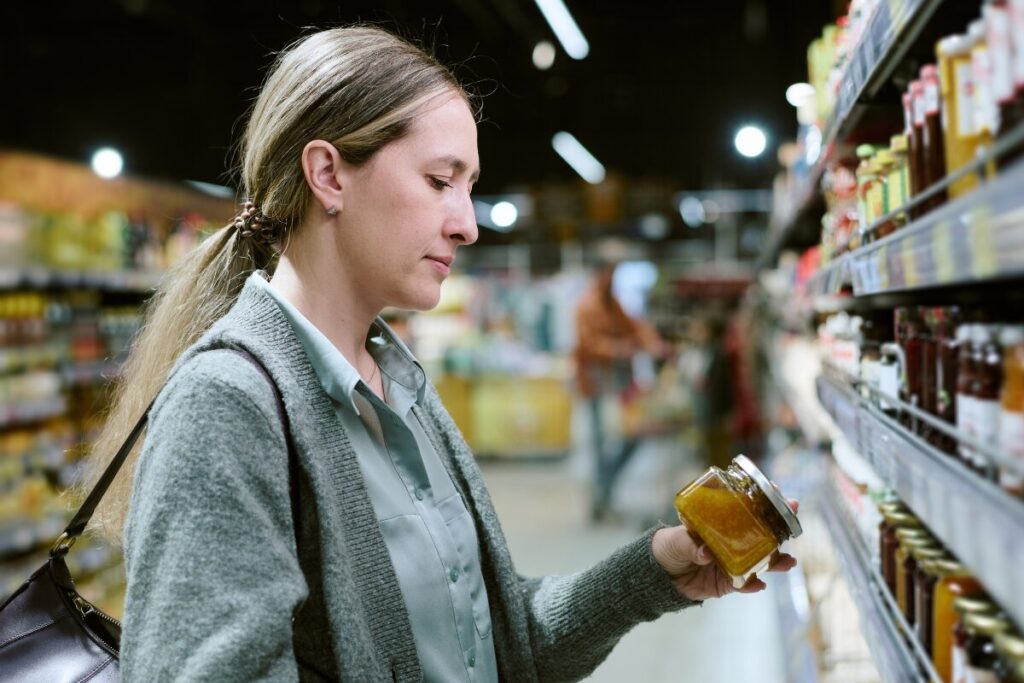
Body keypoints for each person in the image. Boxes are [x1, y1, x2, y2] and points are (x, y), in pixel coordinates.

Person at [84, 26, 797, 682]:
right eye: (438, 181)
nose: (466, 224)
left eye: (470, 187)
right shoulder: (227, 407)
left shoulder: (401, 387)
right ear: (329, 175)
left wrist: (656, 570)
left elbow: (497, 644)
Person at [574, 261, 668, 521]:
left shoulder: (609, 301)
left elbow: (633, 325)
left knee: (623, 439)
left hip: (613, 386)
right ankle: (600, 500)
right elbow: (589, 344)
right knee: (604, 444)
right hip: (597, 386)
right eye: (610, 274)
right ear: (600, 274)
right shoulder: (589, 304)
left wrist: (649, 341)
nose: (612, 279)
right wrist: (622, 349)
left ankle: (603, 496)